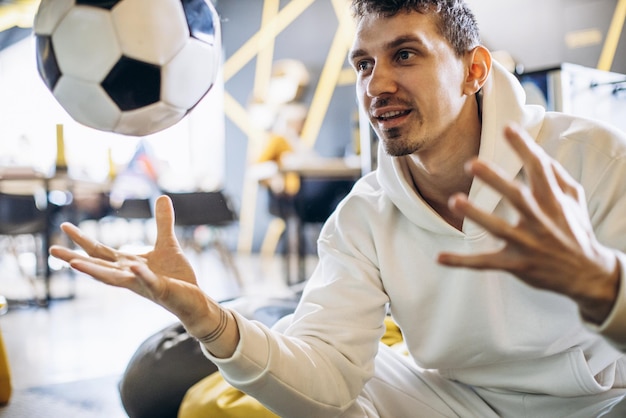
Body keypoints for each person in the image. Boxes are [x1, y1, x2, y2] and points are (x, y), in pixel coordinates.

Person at [50, 0, 626, 416]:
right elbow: (326, 375)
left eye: (405, 54)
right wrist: (209, 320)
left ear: (473, 71)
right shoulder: (363, 216)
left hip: (600, 402)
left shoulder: (591, 157)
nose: (377, 85)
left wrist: (605, 288)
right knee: (338, 401)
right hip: (455, 398)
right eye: (364, 64)